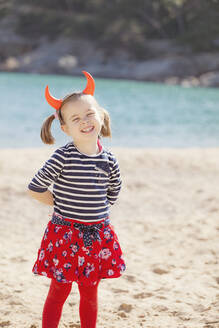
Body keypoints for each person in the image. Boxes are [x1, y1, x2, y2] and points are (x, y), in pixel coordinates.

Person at [27, 71, 126, 328]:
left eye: (89, 114)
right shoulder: (63, 156)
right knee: (59, 290)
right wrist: (59, 204)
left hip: (96, 235)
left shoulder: (109, 160)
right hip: (65, 234)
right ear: (65, 128)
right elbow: (35, 187)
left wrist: (95, 212)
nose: (85, 121)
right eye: (76, 118)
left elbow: (114, 191)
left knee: (90, 293)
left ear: (101, 116)